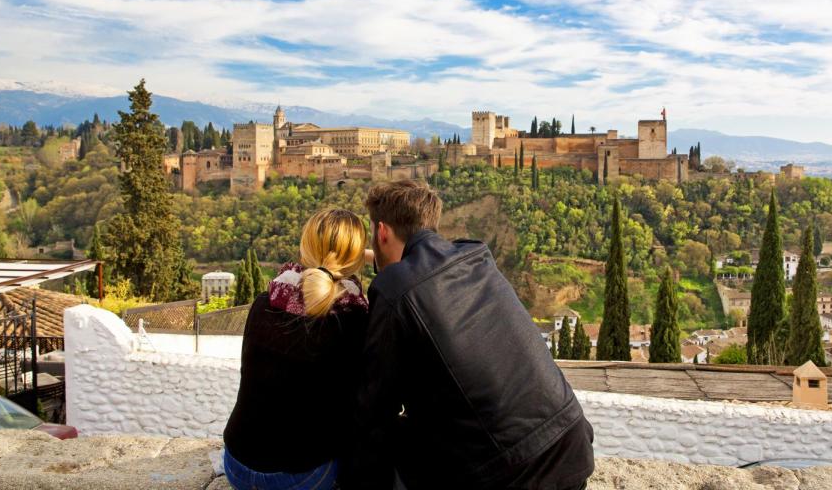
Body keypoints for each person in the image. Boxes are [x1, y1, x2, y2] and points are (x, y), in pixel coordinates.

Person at [343, 180, 594, 490]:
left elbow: (374, 405)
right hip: (571, 448)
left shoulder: (394, 288)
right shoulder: (476, 255)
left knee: (382, 435)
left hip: (512, 475)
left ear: (381, 231)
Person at [223, 209, 370, 490]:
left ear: (305, 247)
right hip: (302, 476)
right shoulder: (353, 319)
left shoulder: (265, 301)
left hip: (237, 464)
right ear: (357, 257)